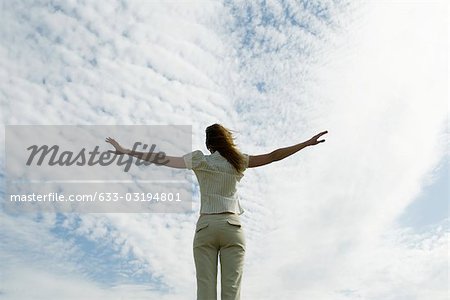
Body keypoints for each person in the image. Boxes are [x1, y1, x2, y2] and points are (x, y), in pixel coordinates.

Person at [106, 124, 328, 300]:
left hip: (206, 228)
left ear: (208, 144)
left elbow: (161, 159)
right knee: (231, 292)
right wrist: (305, 143)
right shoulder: (237, 160)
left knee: (205, 291)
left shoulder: (199, 160)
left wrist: (125, 150)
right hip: (232, 227)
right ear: (226, 140)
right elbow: (273, 155)